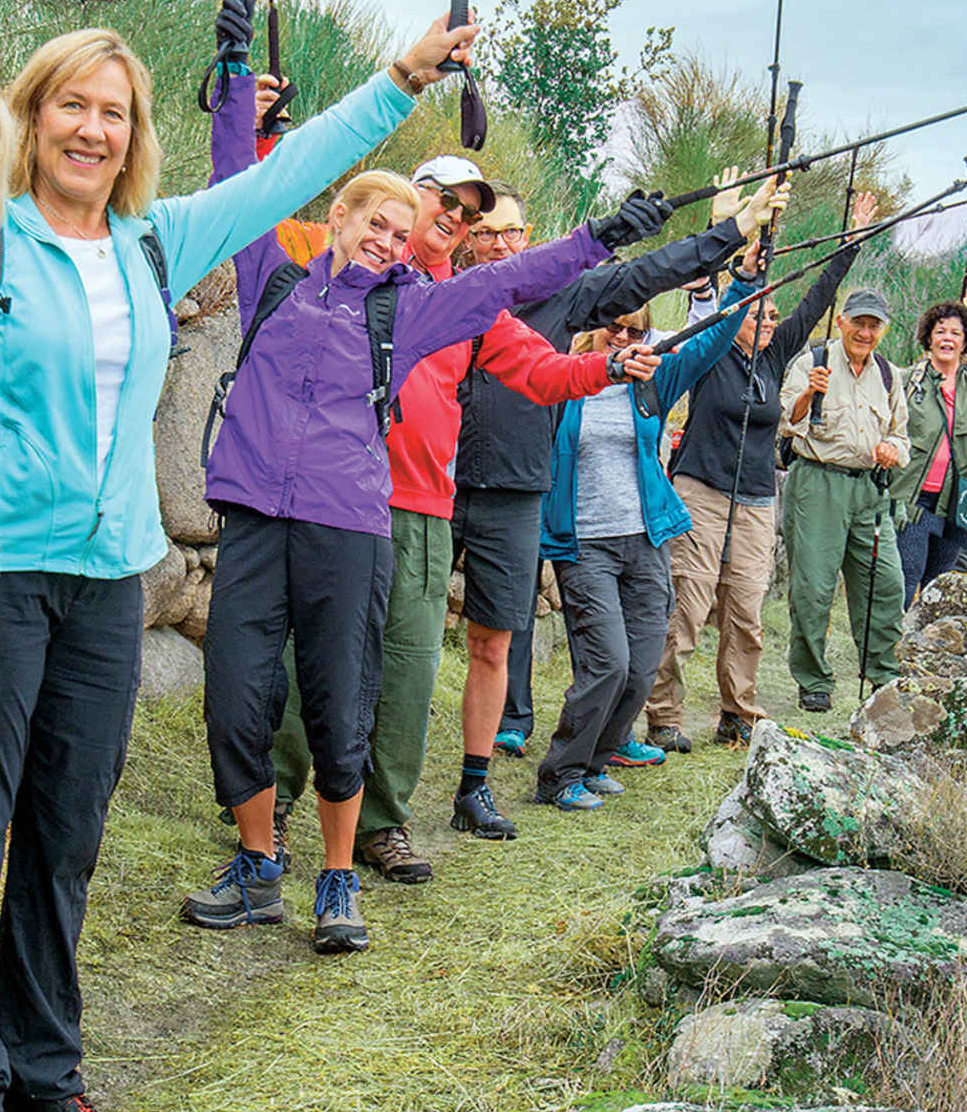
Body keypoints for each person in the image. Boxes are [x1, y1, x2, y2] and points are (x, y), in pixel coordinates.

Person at [0, 15, 476, 1112]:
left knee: (66, 830)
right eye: (72, 103)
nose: (92, 128)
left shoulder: (155, 243)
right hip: (0, 578)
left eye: (113, 111)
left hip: (111, 585)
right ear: (30, 114)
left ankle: (41, 1072)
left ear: (133, 135)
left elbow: (290, 171)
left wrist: (401, 80)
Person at [182, 174, 670, 954]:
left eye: (401, 229)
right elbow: (242, 189)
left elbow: (516, 295)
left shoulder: (412, 306)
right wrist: (240, 89)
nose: (390, 237)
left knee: (352, 698)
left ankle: (343, 869)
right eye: (379, 220)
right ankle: (258, 861)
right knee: (239, 696)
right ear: (338, 216)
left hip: (357, 521)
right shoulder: (277, 277)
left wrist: (604, 238)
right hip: (256, 516)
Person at [262, 158, 744, 884]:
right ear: (399, 202)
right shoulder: (339, 268)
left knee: (410, 671)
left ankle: (382, 823)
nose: (457, 216)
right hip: (340, 500)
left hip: (427, 506)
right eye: (444, 200)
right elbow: (259, 216)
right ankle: (275, 804)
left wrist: (611, 367)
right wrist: (264, 132)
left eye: (472, 209)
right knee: (319, 661)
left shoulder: (469, 304)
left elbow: (544, 371)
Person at [447, 183, 761, 830]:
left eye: (513, 233)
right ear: (465, 234)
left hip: (605, 523)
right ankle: (545, 759)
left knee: (601, 656)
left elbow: (676, 311)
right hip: (476, 499)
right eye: (486, 233)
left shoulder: (628, 370)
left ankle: (550, 766)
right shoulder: (447, 301)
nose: (500, 245)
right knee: (414, 643)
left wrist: (729, 255)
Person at [643, 197, 871, 752]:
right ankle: (663, 712)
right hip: (700, 490)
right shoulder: (709, 353)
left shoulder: (775, 359)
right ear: (736, 316)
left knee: (746, 609)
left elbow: (817, 302)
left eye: (773, 316)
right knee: (689, 606)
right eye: (760, 314)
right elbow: (707, 301)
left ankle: (737, 710)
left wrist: (852, 242)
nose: (771, 322)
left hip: (756, 499)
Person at [534, 288, 752, 808]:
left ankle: (597, 758)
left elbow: (713, 338)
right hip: (584, 541)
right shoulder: (563, 378)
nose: (626, 338)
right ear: (594, 325)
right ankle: (559, 775)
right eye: (617, 326)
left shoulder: (651, 382)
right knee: (607, 662)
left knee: (641, 662)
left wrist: (742, 281)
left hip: (646, 537)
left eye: (637, 331)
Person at [779, 288, 909, 710]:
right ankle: (813, 680)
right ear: (842, 322)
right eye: (859, 323)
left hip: (870, 489)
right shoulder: (811, 362)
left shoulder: (889, 374)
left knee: (885, 584)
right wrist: (807, 395)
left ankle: (882, 676)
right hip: (817, 483)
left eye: (874, 326)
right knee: (813, 587)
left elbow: (901, 434)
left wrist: (891, 449)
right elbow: (785, 423)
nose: (866, 332)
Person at [894, 299, 967, 596]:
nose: (947, 338)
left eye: (955, 333)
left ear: (966, 342)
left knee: (940, 587)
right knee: (906, 579)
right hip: (913, 500)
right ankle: (894, 641)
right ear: (929, 338)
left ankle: (926, 643)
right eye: (940, 331)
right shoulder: (907, 381)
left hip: (958, 505)